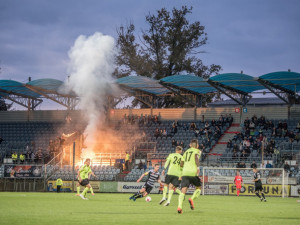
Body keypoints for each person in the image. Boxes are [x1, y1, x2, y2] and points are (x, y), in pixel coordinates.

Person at [177, 139, 202, 214]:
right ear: (197, 145)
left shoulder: (186, 152)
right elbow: (196, 158)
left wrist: (181, 172)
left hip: (185, 173)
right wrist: (198, 168)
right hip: (193, 172)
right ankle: (191, 198)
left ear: (190, 145)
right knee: (199, 188)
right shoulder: (197, 151)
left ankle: (179, 207)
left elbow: (181, 163)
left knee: (183, 191)